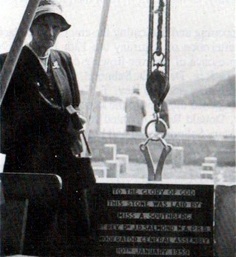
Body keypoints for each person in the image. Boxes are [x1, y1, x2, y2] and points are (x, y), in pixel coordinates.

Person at [0, 0, 95, 256]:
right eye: (44, 25)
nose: (50, 32)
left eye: (56, 27)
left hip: (64, 156)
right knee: (32, 228)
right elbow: (15, 112)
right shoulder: (10, 62)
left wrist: (75, 120)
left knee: (70, 225)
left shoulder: (63, 60)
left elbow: (72, 101)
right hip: (29, 158)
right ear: (31, 27)